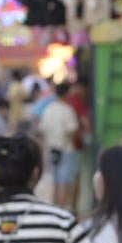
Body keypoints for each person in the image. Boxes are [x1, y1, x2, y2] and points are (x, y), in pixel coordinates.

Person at [35, 81, 83, 211]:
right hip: (66, 149)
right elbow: (72, 131)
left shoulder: (49, 109)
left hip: (52, 149)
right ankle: (62, 209)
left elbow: (42, 130)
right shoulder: (67, 110)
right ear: (67, 93)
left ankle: (55, 207)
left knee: (56, 181)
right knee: (64, 181)